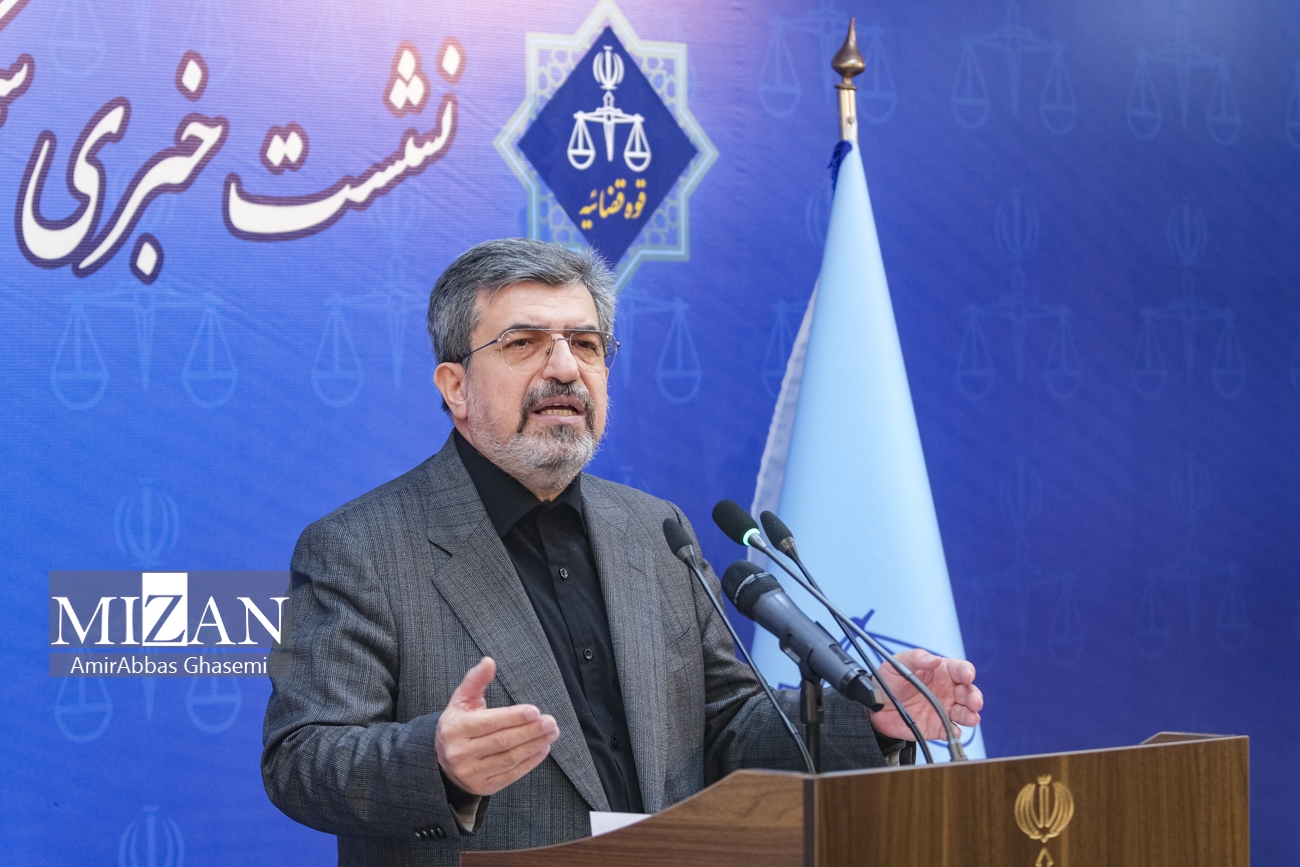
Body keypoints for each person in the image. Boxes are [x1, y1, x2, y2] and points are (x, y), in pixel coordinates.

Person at [262, 238, 982, 866]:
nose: (565, 368)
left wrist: (872, 717)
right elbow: (301, 757)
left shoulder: (655, 529)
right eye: (524, 343)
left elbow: (730, 723)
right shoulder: (359, 547)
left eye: (586, 344)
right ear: (455, 386)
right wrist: (439, 762)